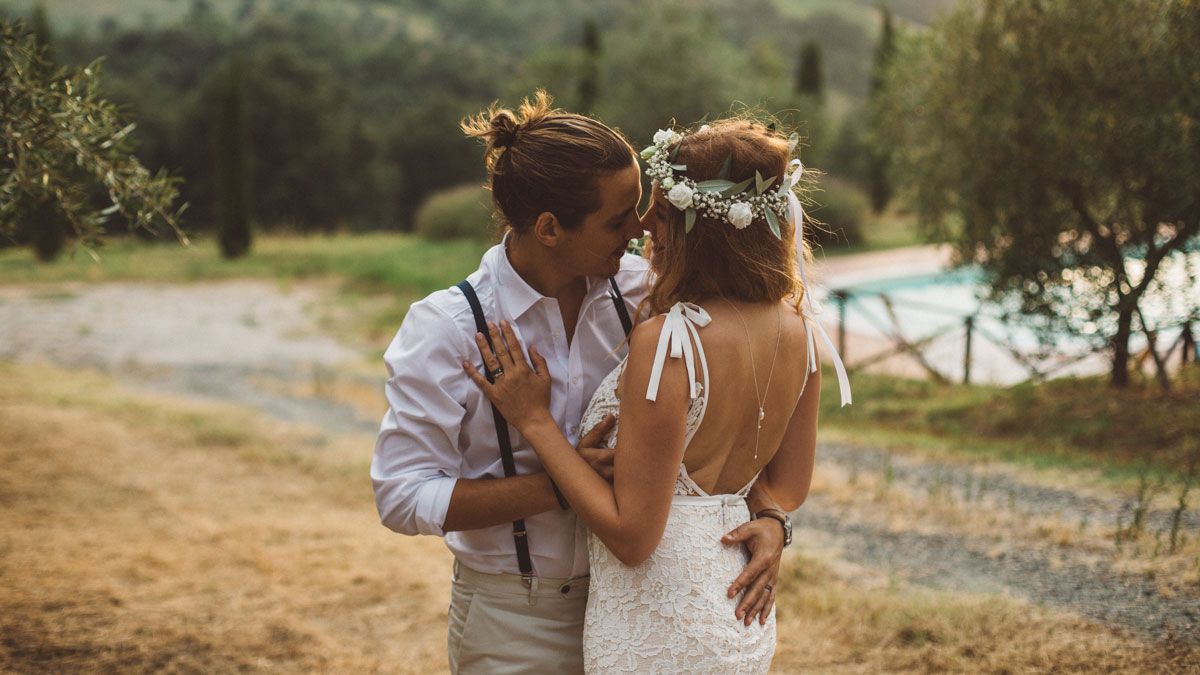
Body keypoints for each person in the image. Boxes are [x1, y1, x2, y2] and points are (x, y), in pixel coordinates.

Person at [370, 94, 787, 674]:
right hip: (517, 621)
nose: (641, 227)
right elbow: (402, 496)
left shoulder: (651, 295)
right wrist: (562, 484)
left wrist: (771, 517)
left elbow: (734, 411)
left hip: (639, 612)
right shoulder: (449, 328)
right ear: (548, 228)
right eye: (618, 218)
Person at [464, 119, 851, 673]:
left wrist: (536, 423)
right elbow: (786, 487)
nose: (644, 223)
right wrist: (773, 522)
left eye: (662, 213)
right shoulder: (803, 331)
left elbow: (632, 537)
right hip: (735, 613)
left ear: (705, 232)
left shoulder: (671, 341)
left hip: (657, 625)